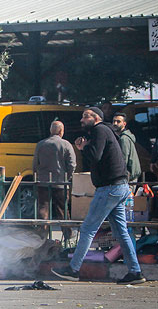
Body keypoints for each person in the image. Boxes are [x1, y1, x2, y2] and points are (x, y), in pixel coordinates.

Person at [52, 107, 146, 285]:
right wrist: (85, 147)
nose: (82, 119)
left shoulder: (99, 130)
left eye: (85, 116)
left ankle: (73, 269)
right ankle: (135, 272)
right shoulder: (105, 131)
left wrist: (83, 147)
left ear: (96, 118)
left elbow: (95, 155)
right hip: (119, 187)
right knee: (121, 232)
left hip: (109, 188)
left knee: (88, 228)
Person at [32, 120, 76, 239]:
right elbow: (72, 164)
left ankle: (42, 234)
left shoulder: (41, 144)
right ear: (61, 131)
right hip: (60, 182)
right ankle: (67, 235)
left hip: (43, 181)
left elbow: (35, 164)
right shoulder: (66, 144)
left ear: (51, 131)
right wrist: (67, 176)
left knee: (43, 208)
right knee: (62, 209)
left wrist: (37, 174)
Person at [112, 112, 142, 184]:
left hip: (128, 177)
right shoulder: (122, 137)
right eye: (114, 121)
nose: (115, 123)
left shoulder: (124, 139)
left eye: (118, 121)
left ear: (124, 124)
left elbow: (123, 159)